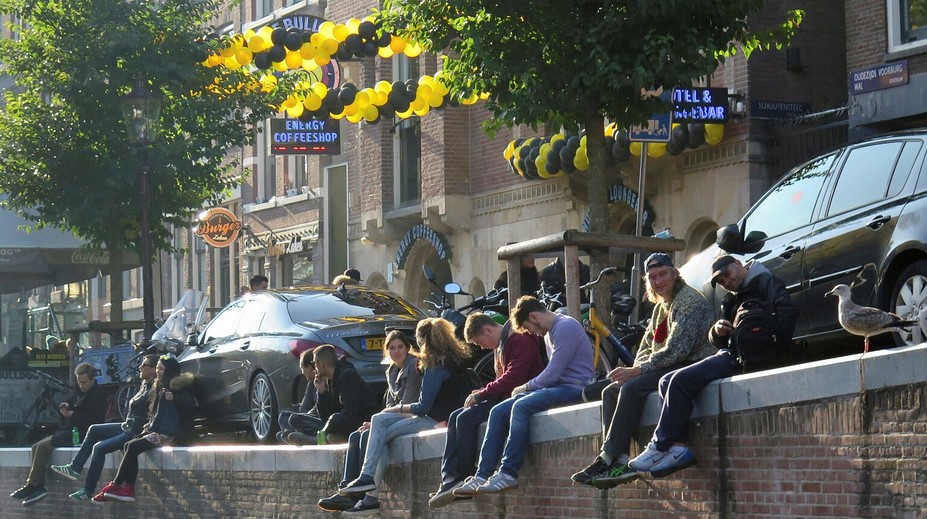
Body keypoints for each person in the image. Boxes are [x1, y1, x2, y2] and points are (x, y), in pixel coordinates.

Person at [627, 255, 798, 477]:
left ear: (738, 264)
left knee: (678, 380)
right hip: (731, 353)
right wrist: (716, 331)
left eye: (727, 274)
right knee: (666, 380)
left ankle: (659, 445)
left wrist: (769, 344)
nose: (726, 282)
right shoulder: (731, 298)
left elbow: (788, 315)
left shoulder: (767, 283)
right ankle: (679, 447)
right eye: (721, 280)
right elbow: (716, 341)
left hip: (745, 357)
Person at [571, 252, 714, 488]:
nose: (658, 282)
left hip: (690, 363)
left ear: (675, 273)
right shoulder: (661, 306)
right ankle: (620, 460)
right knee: (610, 391)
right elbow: (647, 346)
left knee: (632, 387)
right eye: (653, 278)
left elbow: (676, 350)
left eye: (663, 275)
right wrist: (636, 366)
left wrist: (637, 372)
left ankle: (605, 457)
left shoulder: (689, 302)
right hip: (667, 363)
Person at [453, 295, 595, 495]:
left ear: (534, 317)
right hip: (557, 387)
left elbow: (553, 373)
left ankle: (508, 473)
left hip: (574, 387)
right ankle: (482, 474)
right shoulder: (549, 333)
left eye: (530, 328)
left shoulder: (565, 327)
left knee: (521, 405)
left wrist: (526, 386)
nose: (532, 333)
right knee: (498, 410)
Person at [332, 318, 471, 513]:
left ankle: (368, 486)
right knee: (378, 424)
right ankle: (368, 489)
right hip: (435, 417)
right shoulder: (449, 359)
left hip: (432, 421)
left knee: (380, 424)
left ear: (422, 340)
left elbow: (423, 407)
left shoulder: (435, 365)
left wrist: (395, 409)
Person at [428, 312, 546, 508]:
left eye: (480, 342)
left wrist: (483, 394)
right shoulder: (503, 343)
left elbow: (513, 378)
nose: (483, 347)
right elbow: (505, 378)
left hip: (517, 396)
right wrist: (483, 390)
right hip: (506, 395)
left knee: (465, 418)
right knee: (456, 415)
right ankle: (450, 476)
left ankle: (466, 475)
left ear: (489, 330)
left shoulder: (519, 340)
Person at [317, 330, 422, 512]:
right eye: (392, 348)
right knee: (355, 437)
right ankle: (347, 490)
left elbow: (408, 405)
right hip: (393, 416)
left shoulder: (413, 367)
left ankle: (363, 490)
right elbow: (390, 404)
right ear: (387, 351)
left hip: (411, 416)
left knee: (368, 437)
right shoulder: (391, 371)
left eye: (400, 347)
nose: (396, 351)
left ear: (407, 348)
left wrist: (378, 421)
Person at [50, 354, 159, 500]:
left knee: (99, 448)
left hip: (136, 430)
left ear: (152, 369)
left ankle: (87, 490)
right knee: (94, 429)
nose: (139, 367)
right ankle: (75, 468)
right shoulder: (144, 384)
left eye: (143, 365)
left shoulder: (155, 388)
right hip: (128, 425)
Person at [92, 355, 197, 503]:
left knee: (133, 446)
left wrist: (174, 398)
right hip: (159, 430)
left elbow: (192, 407)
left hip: (171, 433)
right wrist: (147, 429)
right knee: (128, 445)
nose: (158, 371)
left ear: (169, 370)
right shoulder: (158, 385)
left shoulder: (178, 386)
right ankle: (127, 488)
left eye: (161, 368)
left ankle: (117, 486)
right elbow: (154, 414)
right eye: (158, 368)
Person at [10, 362, 107, 506]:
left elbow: (96, 420)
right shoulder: (79, 391)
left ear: (93, 379)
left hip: (82, 433)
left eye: (84, 382)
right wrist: (66, 405)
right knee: (35, 446)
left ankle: (34, 486)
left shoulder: (98, 396)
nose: (81, 385)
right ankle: (37, 486)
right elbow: (72, 401)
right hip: (70, 430)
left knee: (42, 447)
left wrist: (72, 415)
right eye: (79, 382)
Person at [311, 344, 380, 444]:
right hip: (343, 421)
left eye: (314, 363)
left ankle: (317, 438)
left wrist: (329, 425)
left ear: (320, 364)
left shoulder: (348, 375)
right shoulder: (329, 380)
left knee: (334, 419)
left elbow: (350, 413)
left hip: (361, 421)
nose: (315, 368)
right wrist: (321, 392)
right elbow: (325, 417)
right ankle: (322, 436)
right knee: (291, 418)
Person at [276, 350, 324, 445]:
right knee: (284, 417)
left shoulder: (325, 381)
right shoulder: (311, 383)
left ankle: (311, 438)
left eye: (302, 368)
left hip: (323, 421)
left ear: (310, 368)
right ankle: (301, 435)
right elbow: (304, 407)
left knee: (293, 419)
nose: (302, 372)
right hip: (311, 419)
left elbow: (324, 410)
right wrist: (305, 418)